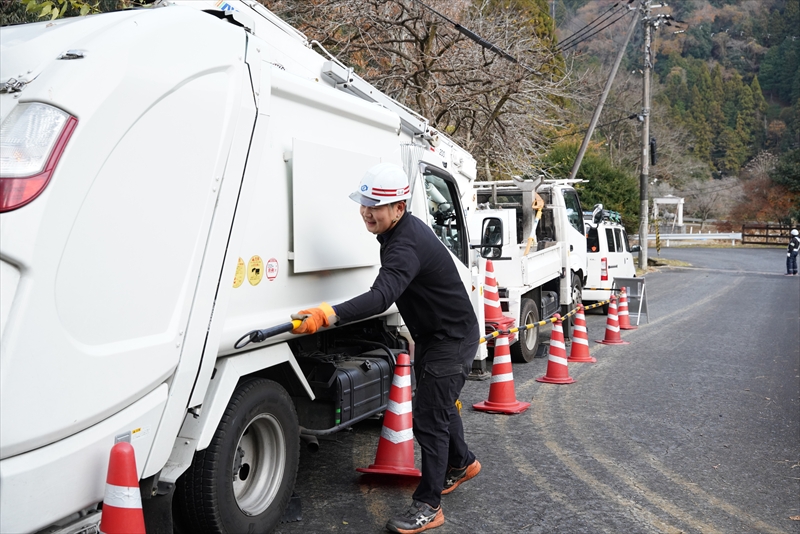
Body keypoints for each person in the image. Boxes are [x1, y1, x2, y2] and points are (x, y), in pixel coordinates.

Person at [291, 162, 481, 534]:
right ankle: (463, 463)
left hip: (452, 338)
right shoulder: (398, 234)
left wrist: (328, 314)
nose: (367, 211)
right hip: (435, 335)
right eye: (364, 203)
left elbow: (380, 298)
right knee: (437, 405)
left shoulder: (405, 243)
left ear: (399, 207)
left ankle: (429, 505)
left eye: (376, 205)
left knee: (429, 418)